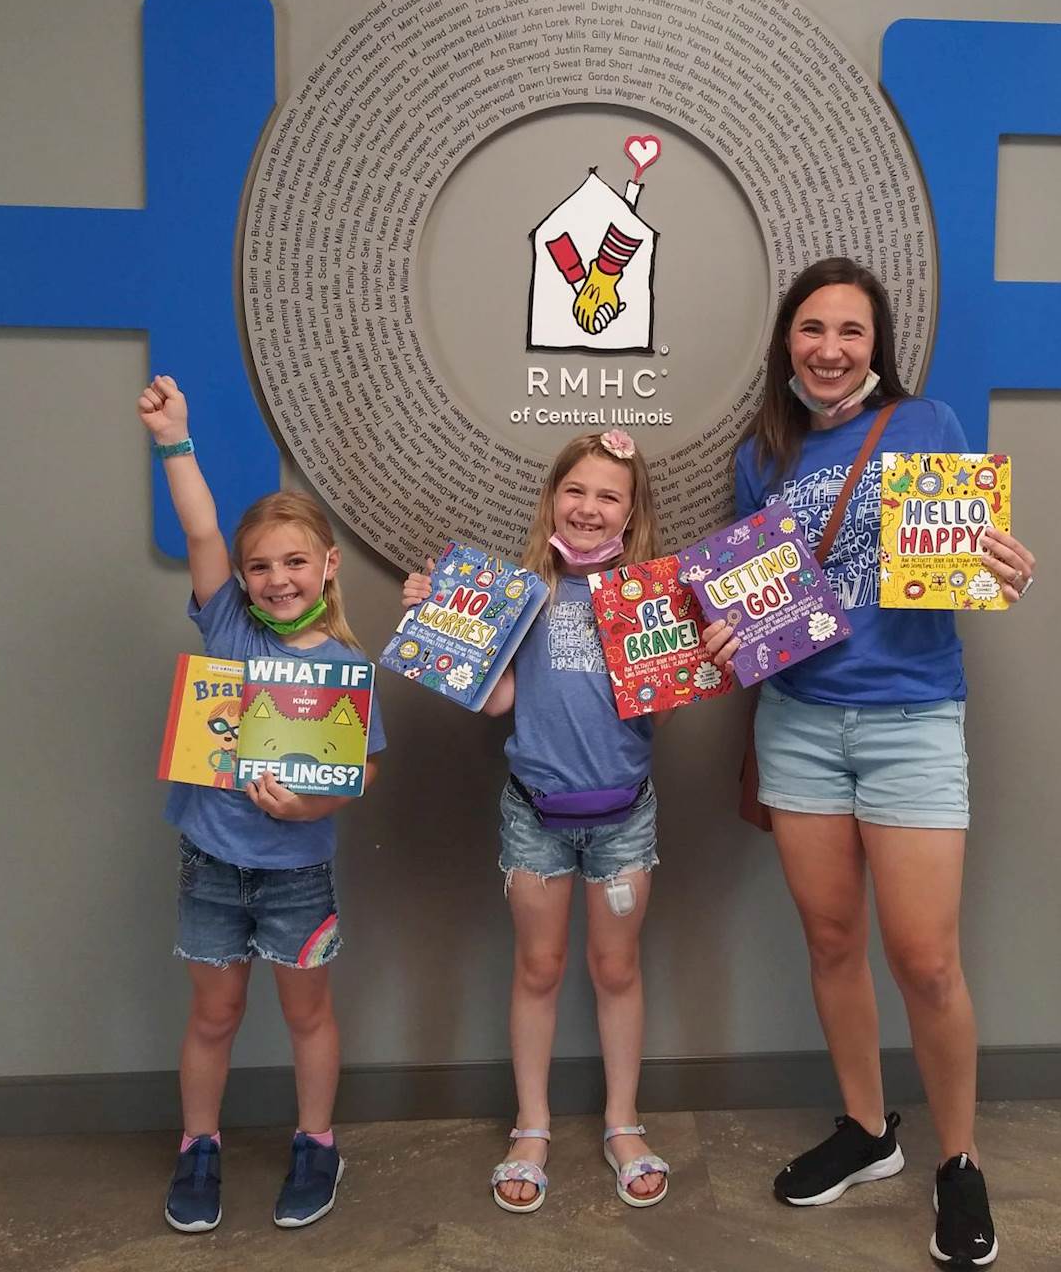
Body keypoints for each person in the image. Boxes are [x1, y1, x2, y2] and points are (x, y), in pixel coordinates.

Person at [702, 258, 1036, 1269]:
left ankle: (960, 1163)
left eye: (851, 331)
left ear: (876, 345)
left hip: (910, 720)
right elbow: (755, 593)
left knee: (928, 963)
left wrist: (1000, 564)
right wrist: (724, 632)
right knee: (833, 940)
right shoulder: (763, 452)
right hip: (799, 726)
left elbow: (961, 553)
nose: (832, 349)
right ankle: (866, 1130)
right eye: (813, 330)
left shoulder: (927, 426)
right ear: (788, 343)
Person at [400, 427, 671, 1214]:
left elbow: (659, 705)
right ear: (553, 497)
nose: (589, 507)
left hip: (625, 817)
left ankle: (623, 1122)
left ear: (632, 511)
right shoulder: (522, 591)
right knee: (538, 970)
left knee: (617, 971)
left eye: (608, 496)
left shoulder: (650, 596)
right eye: (575, 490)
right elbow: (498, 701)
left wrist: (698, 648)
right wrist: (437, 624)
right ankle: (532, 1126)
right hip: (535, 819)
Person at [139, 374, 386, 1235]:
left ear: (326, 566)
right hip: (211, 863)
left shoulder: (348, 667)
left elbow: (359, 776)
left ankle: (317, 1141)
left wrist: (309, 813)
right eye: (260, 566)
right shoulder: (230, 628)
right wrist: (176, 438)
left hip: (296, 875)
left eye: (293, 562)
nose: (276, 579)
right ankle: (197, 1145)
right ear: (240, 579)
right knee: (213, 1013)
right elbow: (200, 524)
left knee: (306, 1013)